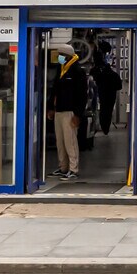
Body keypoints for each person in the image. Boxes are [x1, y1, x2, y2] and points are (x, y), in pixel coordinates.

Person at [52, 49, 88, 180]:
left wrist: (78, 114)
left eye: (61, 55)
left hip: (70, 112)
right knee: (60, 142)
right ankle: (63, 167)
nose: (59, 57)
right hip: (59, 110)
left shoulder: (77, 71)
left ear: (67, 55)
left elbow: (82, 94)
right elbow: (55, 89)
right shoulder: (61, 69)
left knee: (70, 141)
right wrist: (51, 107)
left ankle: (73, 169)